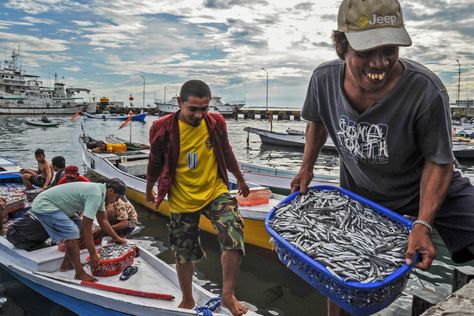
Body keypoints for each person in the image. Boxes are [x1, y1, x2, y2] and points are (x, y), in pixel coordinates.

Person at [290, 0, 474, 314]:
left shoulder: (426, 90)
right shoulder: (323, 79)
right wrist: (305, 168)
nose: (379, 64)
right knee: (341, 277)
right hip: (360, 194)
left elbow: (439, 162)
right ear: (341, 46)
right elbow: (317, 122)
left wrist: (422, 224)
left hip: (425, 190)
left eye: (389, 50)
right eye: (365, 52)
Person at [146, 80, 249, 316]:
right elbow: (155, 161)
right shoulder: (162, 127)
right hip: (182, 197)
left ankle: (228, 294)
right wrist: (149, 188)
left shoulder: (216, 122)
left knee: (233, 232)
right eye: (193, 109)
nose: (199, 114)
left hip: (215, 190)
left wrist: (240, 179)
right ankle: (188, 299)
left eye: (204, 108)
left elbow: (226, 151)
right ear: (180, 103)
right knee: (184, 252)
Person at [30, 179, 127, 282]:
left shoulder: (101, 193)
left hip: (61, 207)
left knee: (78, 229)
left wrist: (117, 238)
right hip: (45, 205)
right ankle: (79, 273)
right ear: (111, 191)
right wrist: (93, 254)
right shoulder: (96, 195)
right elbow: (87, 227)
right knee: (72, 231)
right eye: (117, 197)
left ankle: (66, 265)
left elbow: (103, 220)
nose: (116, 201)